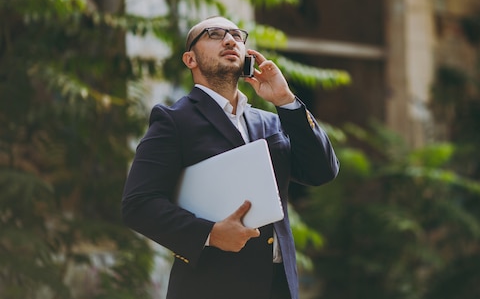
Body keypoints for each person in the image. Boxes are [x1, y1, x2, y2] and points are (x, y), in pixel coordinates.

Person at [121, 15, 340, 299]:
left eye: (237, 35)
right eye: (214, 34)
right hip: (211, 287)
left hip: (278, 288)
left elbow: (321, 171)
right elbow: (138, 205)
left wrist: (286, 101)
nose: (229, 40)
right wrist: (209, 233)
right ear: (191, 59)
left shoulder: (270, 121)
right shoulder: (174, 121)